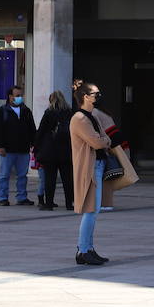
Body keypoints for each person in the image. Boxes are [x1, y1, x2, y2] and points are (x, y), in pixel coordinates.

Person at [71, 82, 113, 265]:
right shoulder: (80, 118)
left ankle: (88, 248)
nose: (98, 96)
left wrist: (103, 140)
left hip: (97, 165)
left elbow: (105, 138)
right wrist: (104, 140)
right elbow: (98, 142)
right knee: (90, 210)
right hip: (89, 167)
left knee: (93, 210)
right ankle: (83, 250)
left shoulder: (91, 116)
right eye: (95, 94)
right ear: (85, 97)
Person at [0, 85, 35, 206]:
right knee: (4, 175)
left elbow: (31, 128)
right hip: (7, 150)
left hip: (23, 149)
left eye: (21, 95)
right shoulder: (1, 111)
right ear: (10, 97)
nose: (20, 98)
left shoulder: (26, 111)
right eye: (17, 96)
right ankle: (2, 197)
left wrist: (33, 143)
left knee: (22, 176)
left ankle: (22, 197)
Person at [35, 91, 74, 211]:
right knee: (67, 179)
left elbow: (41, 131)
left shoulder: (49, 113)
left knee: (50, 179)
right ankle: (69, 203)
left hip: (50, 151)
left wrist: (36, 148)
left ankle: (49, 203)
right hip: (66, 151)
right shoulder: (70, 112)